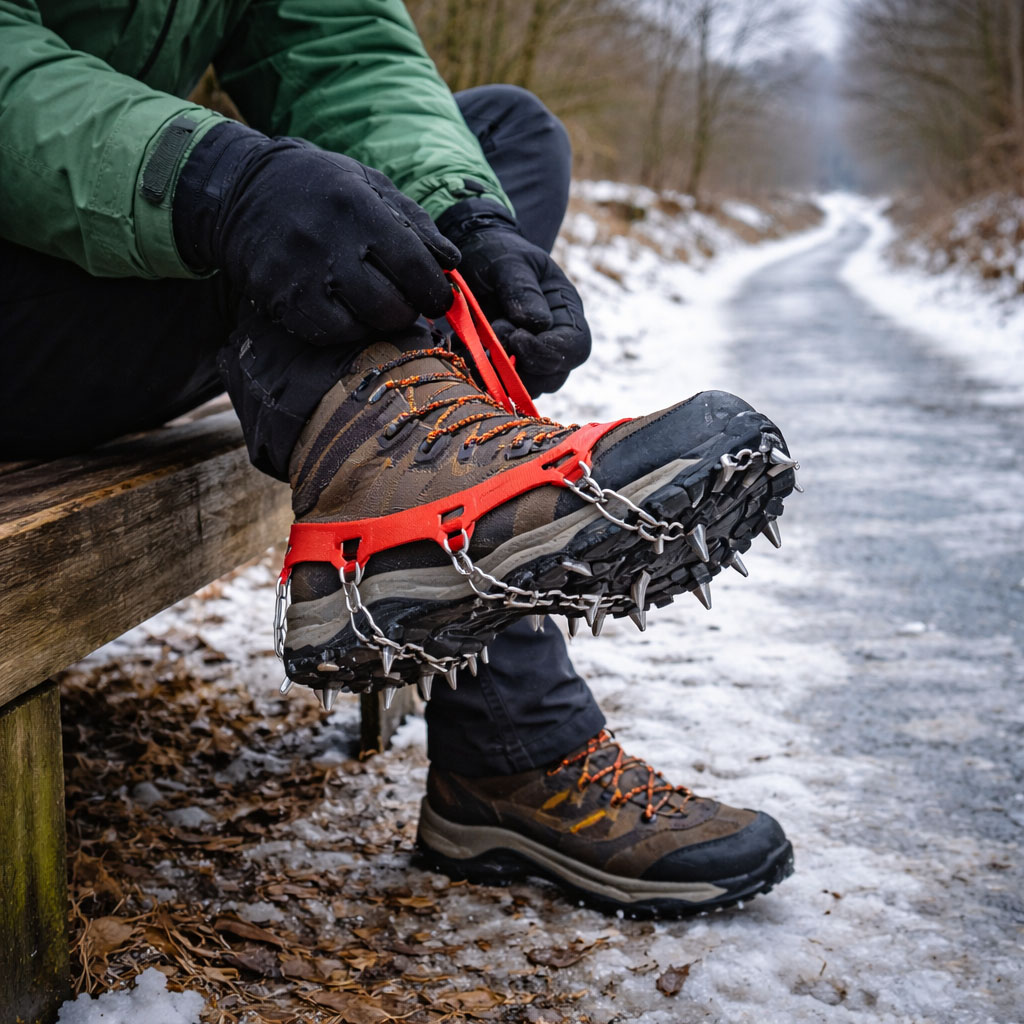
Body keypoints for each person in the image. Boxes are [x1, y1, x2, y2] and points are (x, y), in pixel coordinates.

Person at [0, 0, 796, 917]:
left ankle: (415, 477)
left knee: (502, 141)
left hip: (91, 275)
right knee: (282, 231)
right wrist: (219, 179)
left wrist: (470, 223)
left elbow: (340, 47)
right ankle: (514, 738)